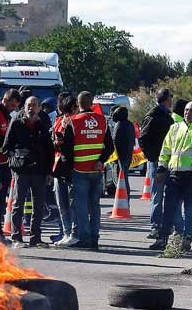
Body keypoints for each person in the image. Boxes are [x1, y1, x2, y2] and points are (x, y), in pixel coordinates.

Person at [61, 91, 115, 250]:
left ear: (78, 104)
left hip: (79, 170)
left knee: (82, 207)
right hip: (97, 171)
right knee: (95, 206)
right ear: (92, 103)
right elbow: (110, 146)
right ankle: (95, 237)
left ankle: (85, 238)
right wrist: (101, 160)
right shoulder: (102, 121)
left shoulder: (73, 121)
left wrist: (68, 169)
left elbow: (67, 150)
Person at [150, 100, 192, 252]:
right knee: (169, 209)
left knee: (190, 210)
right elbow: (166, 150)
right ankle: (163, 238)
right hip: (174, 174)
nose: (188, 112)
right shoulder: (174, 128)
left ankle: (187, 239)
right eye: (186, 110)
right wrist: (161, 168)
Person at [3, 96, 55, 247]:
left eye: (34, 105)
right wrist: (15, 161)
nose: (31, 108)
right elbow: (7, 147)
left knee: (38, 205)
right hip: (21, 171)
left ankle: (35, 238)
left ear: (39, 108)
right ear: (24, 107)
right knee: (18, 204)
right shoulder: (17, 123)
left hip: (39, 171)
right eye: (28, 105)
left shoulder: (42, 124)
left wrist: (49, 172)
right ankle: (16, 237)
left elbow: (49, 149)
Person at [139, 88, 176, 238]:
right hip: (157, 161)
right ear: (166, 99)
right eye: (171, 97)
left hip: (169, 161)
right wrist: (152, 156)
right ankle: (156, 226)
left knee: (170, 195)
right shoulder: (153, 115)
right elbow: (143, 138)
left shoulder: (167, 116)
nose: (172, 100)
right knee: (157, 195)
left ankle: (167, 225)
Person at [0, 89, 22, 240]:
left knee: (0, 201)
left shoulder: (7, 115)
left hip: (5, 163)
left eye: (15, 106)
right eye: (11, 104)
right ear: (5, 99)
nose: (13, 108)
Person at [52, 95, 79, 246]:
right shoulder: (58, 121)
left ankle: (74, 233)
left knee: (72, 203)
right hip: (58, 167)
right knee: (62, 203)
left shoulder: (76, 122)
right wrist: (56, 142)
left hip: (72, 167)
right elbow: (52, 141)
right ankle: (67, 232)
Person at [111, 106, 136, 203]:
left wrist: (114, 156)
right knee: (124, 179)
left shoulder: (119, 124)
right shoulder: (130, 124)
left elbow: (115, 141)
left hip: (120, 157)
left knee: (121, 181)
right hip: (127, 155)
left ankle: (122, 204)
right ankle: (124, 203)